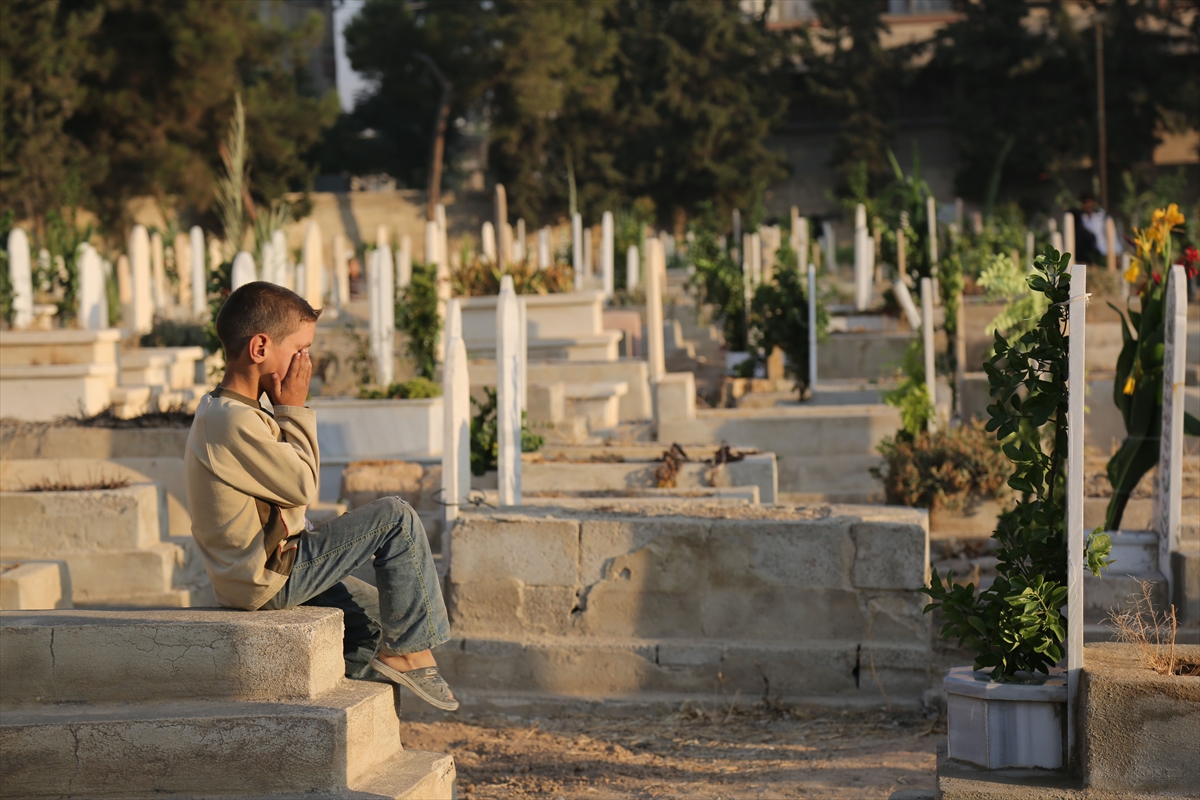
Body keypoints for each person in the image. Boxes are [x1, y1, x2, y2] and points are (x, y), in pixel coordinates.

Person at [184, 281, 457, 711]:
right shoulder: (229, 420)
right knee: (396, 518)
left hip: (268, 570)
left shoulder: (235, 412)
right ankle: (413, 654)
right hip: (268, 575)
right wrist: (294, 409)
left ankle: (344, 705)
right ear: (260, 348)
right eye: (300, 349)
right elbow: (303, 486)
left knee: (378, 620)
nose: (305, 362)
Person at [1073, 191, 1122, 266]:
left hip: (1106, 252)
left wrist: (1115, 253)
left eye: (1089, 202)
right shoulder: (1081, 218)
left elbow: (1112, 237)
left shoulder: (1103, 216)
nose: (1088, 205)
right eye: (1085, 202)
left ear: (1094, 202)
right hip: (1092, 254)